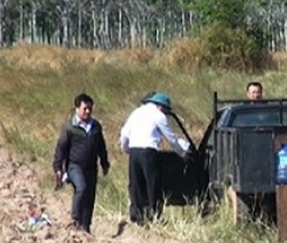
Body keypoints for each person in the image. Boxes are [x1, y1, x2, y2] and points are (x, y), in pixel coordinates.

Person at [120, 92, 190, 224]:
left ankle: (136, 215)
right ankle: (154, 215)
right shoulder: (159, 116)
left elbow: (124, 133)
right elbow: (171, 138)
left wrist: (126, 149)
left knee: (135, 184)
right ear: (161, 106)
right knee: (152, 183)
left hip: (134, 151)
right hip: (148, 151)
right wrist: (183, 154)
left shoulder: (136, 112)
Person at [52, 93, 110, 234]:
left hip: (91, 167)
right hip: (74, 166)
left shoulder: (95, 126)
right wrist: (58, 167)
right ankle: (75, 220)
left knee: (90, 196)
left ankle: (85, 227)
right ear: (77, 108)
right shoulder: (70, 127)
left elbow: (101, 146)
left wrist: (104, 162)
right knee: (82, 188)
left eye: (90, 109)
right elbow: (61, 148)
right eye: (85, 108)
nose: (88, 111)